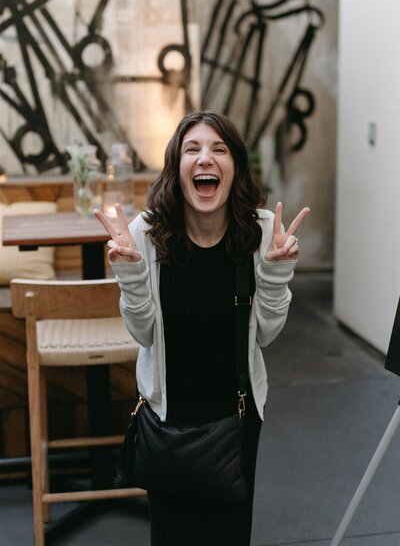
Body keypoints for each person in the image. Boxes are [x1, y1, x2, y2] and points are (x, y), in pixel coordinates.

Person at [95, 110, 310, 546]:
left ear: (235, 167)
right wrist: (131, 277)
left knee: (230, 536)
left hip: (236, 414)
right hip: (167, 416)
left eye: (219, 149)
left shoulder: (261, 230)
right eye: (192, 149)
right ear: (177, 167)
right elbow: (143, 333)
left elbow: (266, 333)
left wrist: (277, 272)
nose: (205, 158)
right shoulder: (147, 233)